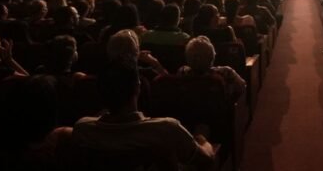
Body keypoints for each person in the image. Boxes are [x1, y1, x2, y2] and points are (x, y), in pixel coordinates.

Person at [72, 59, 216, 170]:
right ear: (138, 87)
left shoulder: (82, 130)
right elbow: (206, 159)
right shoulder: (167, 129)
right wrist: (202, 139)